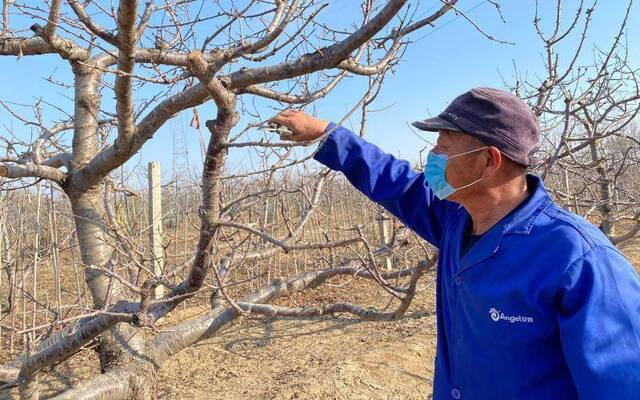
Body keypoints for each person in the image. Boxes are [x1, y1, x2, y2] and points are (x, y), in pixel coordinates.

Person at [270, 87, 640, 400]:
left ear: (488, 162)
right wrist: (329, 135)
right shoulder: (456, 220)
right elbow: (395, 182)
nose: (431, 158)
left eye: (443, 146)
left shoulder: (577, 260)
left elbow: (620, 384)